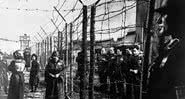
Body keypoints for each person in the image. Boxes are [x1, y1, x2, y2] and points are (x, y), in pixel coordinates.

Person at [148, 0, 185, 99]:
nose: (158, 20)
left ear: (178, 16)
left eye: (164, 14)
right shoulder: (169, 46)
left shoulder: (181, 50)